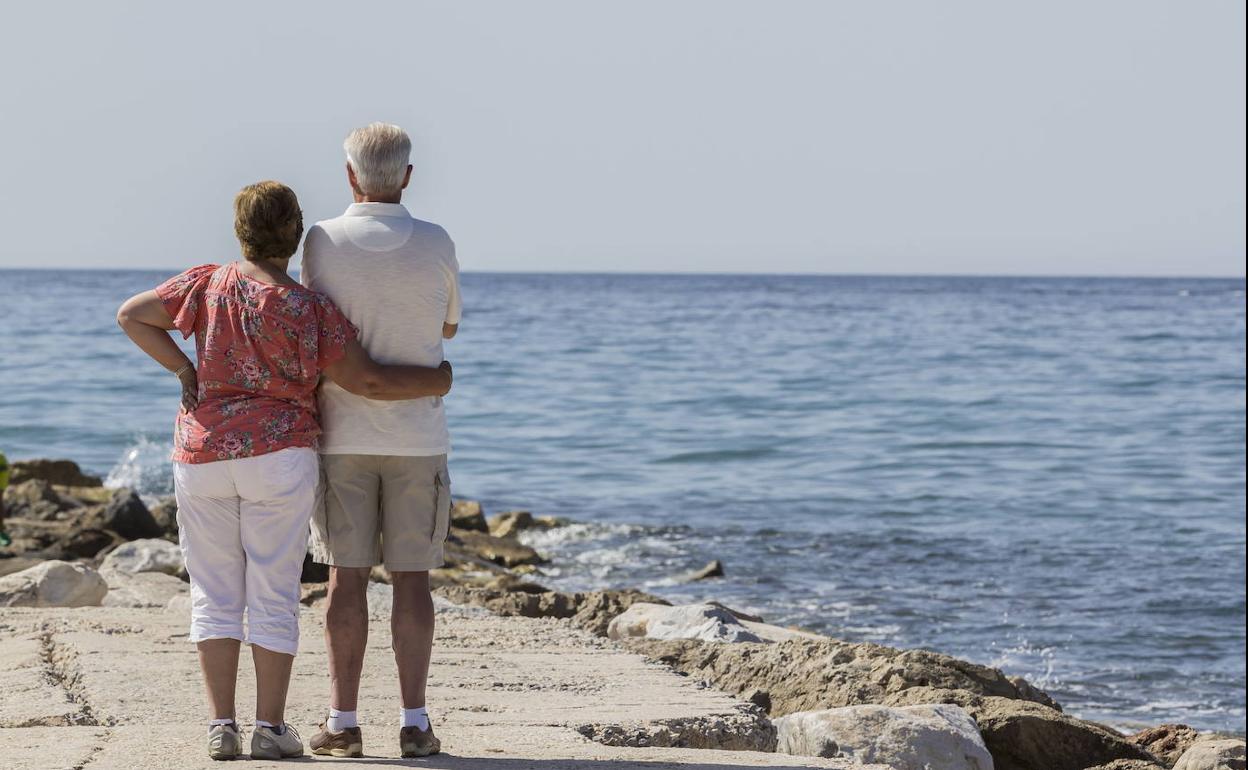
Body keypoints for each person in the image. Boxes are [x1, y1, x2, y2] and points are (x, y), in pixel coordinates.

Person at [116, 180, 453, 762]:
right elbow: (367, 380)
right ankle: (269, 728)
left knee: (214, 594)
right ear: (296, 238)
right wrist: (438, 380)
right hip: (279, 455)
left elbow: (132, 316)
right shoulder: (309, 309)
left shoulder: (204, 283)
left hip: (202, 456)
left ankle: (221, 726)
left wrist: (182, 369)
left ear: (239, 232)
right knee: (272, 593)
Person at [301, 123, 460, 759]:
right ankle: (415, 723)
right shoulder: (437, 240)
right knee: (413, 580)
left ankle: (342, 724)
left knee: (345, 578)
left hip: (341, 434)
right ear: (408, 176)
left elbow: (315, 320)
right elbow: (449, 323)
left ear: (349, 176)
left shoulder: (321, 241)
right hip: (418, 436)